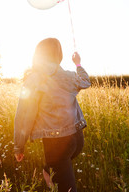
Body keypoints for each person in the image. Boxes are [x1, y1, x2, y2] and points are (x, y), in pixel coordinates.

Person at [14, 38, 91, 192]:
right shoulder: (69, 75)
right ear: (59, 55)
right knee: (49, 171)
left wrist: (19, 145)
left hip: (56, 144)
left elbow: (23, 115)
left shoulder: (34, 79)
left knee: (66, 187)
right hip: (77, 138)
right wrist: (78, 63)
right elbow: (86, 81)